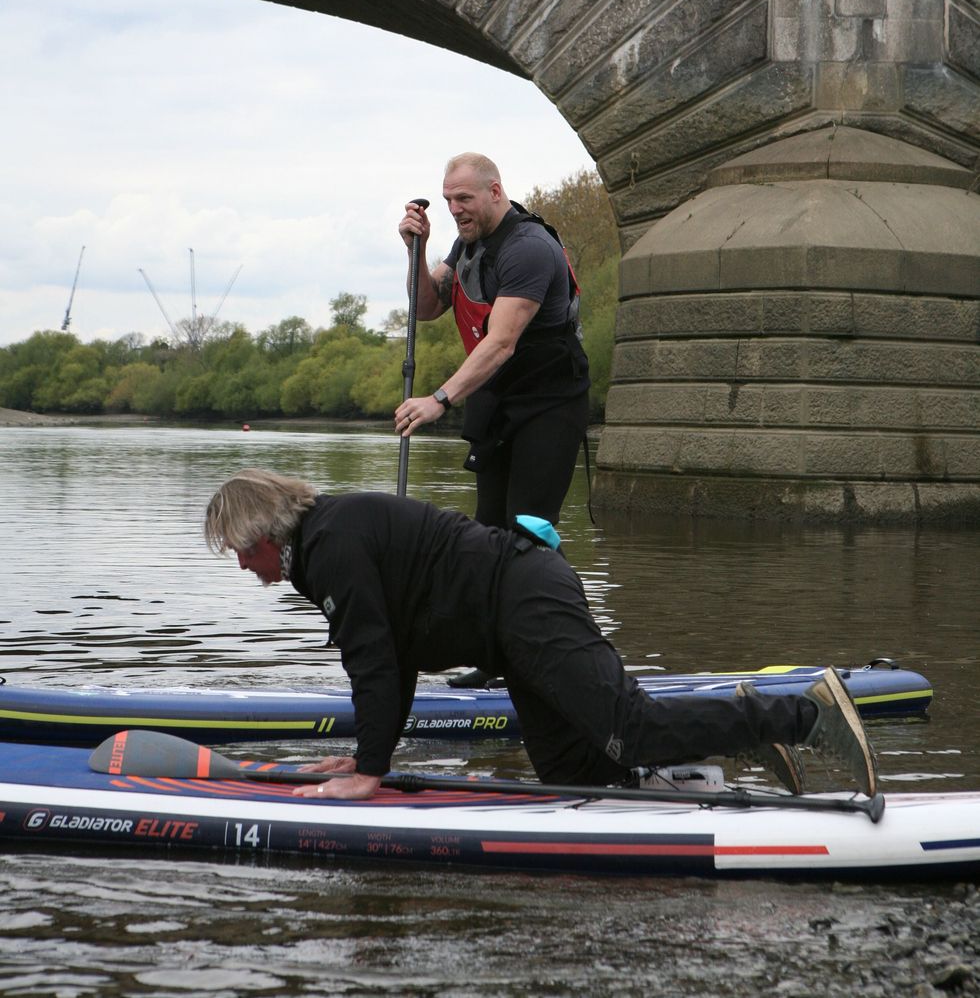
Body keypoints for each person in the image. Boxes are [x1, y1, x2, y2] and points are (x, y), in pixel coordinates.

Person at [204, 467, 879, 803]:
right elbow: (397, 658)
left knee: (628, 728)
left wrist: (370, 773)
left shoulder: (331, 547)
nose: (240, 565)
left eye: (239, 550)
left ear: (263, 534)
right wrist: (364, 759)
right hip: (508, 629)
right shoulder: (322, 546)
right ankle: (711, 762)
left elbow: (374, 663)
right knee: (576, 778)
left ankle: (803, 715)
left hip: (525, 597)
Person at [394, 153, 591, 536]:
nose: (454, 209)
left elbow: (501, 343)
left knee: (528, 529)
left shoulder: (528, 248)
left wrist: (438, 400)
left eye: (464, 198)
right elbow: (426, 307)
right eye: (449, 200)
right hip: (499, 397)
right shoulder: (466, 245)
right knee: (490, 531)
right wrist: (416, 250)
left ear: (495, 191)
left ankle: (551, 578)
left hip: (549, 401)